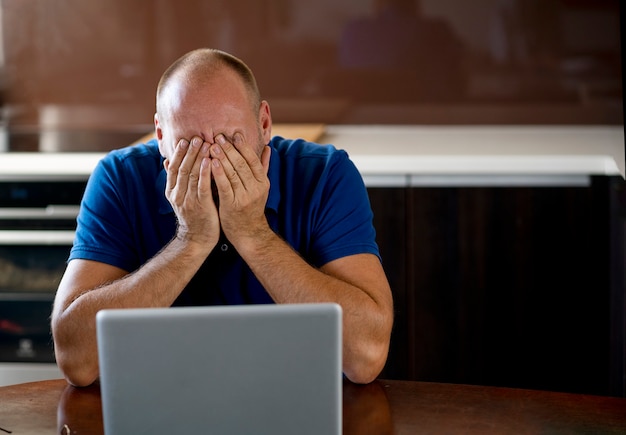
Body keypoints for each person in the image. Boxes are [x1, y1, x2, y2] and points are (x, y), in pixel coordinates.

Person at [51, 48, 394, 387]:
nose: (213, 161)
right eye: (189, 145)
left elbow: (366, 357)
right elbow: (77, 361)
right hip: (160, 401)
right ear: (160, 136)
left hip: (295, 400)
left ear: (263, 123)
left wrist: (253, 234)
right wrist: (190, 240)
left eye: (231, 140)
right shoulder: (119, 178)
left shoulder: (325, 174)